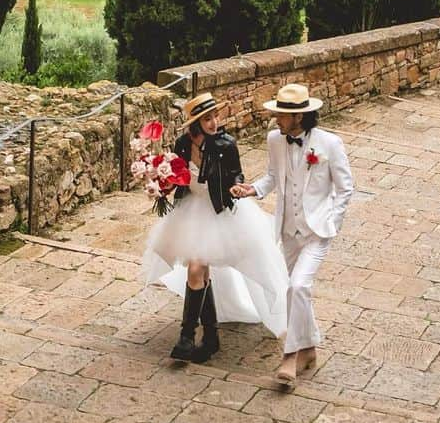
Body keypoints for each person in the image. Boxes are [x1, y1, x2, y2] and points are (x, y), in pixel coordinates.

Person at [141, 92, 288, 362]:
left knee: (197, 268)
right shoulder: (183, 144)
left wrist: (236, 185)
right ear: (196, 123)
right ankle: (206, 337)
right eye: (207, 119)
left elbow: (236, 173)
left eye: (215, 117)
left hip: (219, 211)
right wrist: (161, 183)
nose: (213, 123)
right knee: (198, 269)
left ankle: (192, 337)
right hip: (191, 211)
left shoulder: (226, 144)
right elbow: (177, 177)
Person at [232, 82, 353, 390]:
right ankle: (310, 349)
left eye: (282, 115)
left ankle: (291, 356)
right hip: (287, 230)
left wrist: (332, 220)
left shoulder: (330, 143)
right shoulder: (275, 139)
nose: (276, 120)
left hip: (316, 231)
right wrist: (253, 190)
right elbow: (274, 176)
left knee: (298, 286)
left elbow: (345, 187)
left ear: (299, 117)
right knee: (296, 291)